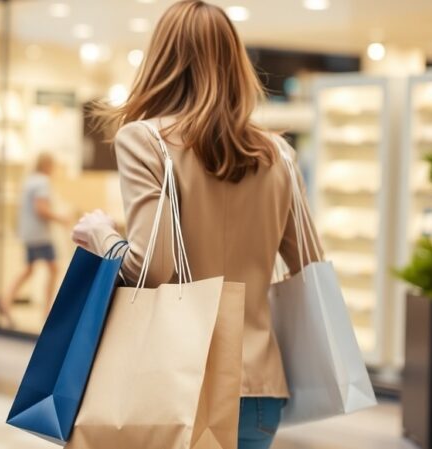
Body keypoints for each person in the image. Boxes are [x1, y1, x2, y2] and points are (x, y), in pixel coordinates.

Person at [69, 2, 323, 448]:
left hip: (174, 380)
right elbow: (309, 265)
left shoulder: (144, 141)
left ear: (162, 59)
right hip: (258, 387)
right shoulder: (278, 155)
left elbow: (154, 266)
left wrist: (100, 234)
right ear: (233, 63)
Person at [0, 152, 69, 329]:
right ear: (48, 165)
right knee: (53, 268)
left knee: (30, 269)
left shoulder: (30, 181)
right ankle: (47, 310)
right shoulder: (42, 182)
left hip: (29, 233)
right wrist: (61, 218)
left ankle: (6, 300)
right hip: (40, 235)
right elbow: (41, 209)